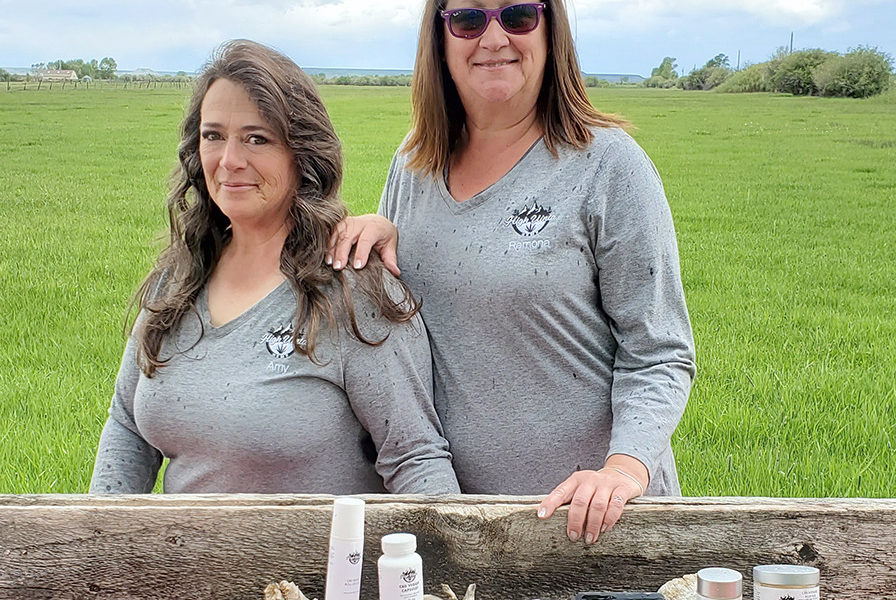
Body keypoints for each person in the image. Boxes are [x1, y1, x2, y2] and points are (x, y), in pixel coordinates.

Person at [326, 0, 695, 543]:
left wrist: (623, 470)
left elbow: (659, 351)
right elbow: (411, 329)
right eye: (469, 19)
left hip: (595, 527)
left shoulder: (608, 164)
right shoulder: (413, 164)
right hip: (466, 531)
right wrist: (385, 236)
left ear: (551, 30)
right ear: (440, 38)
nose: (494, 38)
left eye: (518, 15)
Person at [89, 40, 460, 496]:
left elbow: (414, 459)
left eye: (257, 138)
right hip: (181, 548)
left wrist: (447, 542)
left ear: (301, 153)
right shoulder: (178, 277)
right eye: (213, 135)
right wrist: (99, 534)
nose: (229, 161)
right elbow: (127, 427)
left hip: (316, 548)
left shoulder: (353, 289)